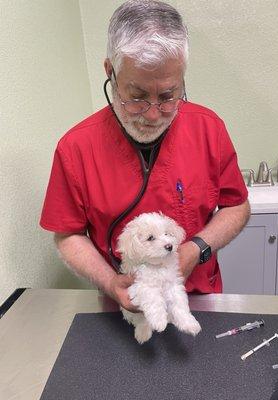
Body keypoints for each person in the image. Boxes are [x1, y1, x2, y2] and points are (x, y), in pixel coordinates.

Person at [40, 0, 250, 313]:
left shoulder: (209, 129)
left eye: (168, 96)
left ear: (182, 77)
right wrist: (111, 284)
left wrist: (198, 248)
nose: (153, 115)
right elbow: (68, 235)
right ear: (110, 72)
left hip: (197, 301)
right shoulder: (75, 148)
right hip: (123, 305)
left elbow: (237, 206)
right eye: (136, 97)